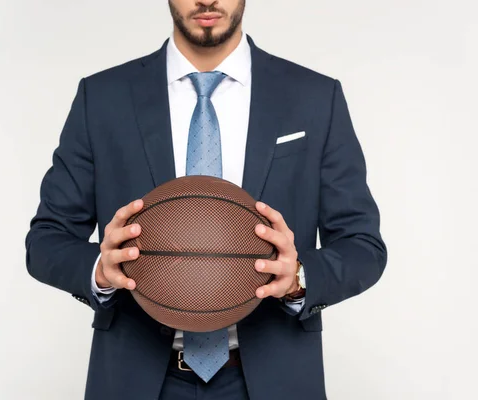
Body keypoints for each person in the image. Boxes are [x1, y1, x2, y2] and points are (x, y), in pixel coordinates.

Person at [25, 1, 387, 398]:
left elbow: (363, 246)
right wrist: (99, 269)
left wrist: (299, 278)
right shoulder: (103, 97)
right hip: (137, 378)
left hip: (272, 379)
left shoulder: (315, 97)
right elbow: (46, 241)